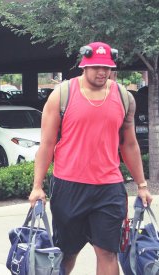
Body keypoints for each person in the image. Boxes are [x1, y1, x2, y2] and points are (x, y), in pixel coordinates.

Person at [29, 41, 153, 275]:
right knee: (66, 252)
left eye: (107, 67)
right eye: (96, 66)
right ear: (84, 66)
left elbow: (129, 144)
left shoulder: (124, 98)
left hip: (109, 188)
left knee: (108, 252)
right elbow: (46, 145)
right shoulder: (62, 95)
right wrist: (37, 186)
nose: (102, 72)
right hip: (69, 186)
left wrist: (142, 185)